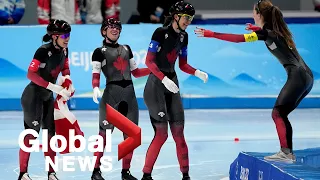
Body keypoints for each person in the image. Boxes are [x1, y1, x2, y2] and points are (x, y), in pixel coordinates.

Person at [195, 0, 314, 162]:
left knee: (278, 113)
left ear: (259, 15)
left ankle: (286, 153)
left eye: (253, 12)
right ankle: (287, 152)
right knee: (281, 114)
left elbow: (238, 39)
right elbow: (268, 35)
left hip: (298, 76)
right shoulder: (274, 31)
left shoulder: (266, 33)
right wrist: (258, 29)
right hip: (306, 76)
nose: (252, 15)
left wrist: (212, 34)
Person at [142, 1, 208, 180]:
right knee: (162, 134)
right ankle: (146, 175)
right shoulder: (160, 33)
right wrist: (163, 79)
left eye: (191, 18)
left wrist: (196, 72)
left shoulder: (184, 37)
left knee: (179, 133)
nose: (189, 21)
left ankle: (186, 176)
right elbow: (149, 62)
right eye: (186, 18)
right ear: (176, 17)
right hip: (156, 84)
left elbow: (183, 64)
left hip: (172, 83)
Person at [90, 18, 151, 180]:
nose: (115, 29)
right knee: (103, 135)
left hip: (129, 96)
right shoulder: (99, 51)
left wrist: (153, 69)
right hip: (111, 97)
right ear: (103, 31)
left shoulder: (126, 48)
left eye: (118, 26)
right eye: (111, 27)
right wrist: (95, 87)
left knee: (131, 136)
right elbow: (95, 74)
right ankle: (96, 171)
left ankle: (126, 173)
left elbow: (136, 72)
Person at [19, 19, 73, 180]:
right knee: (31, 135)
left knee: (51, 135)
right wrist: (53, 87)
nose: (67, 38)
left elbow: (65, 67)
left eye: (69, 34)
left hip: (47, 97)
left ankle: (51, 173)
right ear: (54, 36)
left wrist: (68, 80)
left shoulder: (64, 50)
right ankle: (22, 173)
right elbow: (30, 74)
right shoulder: (42, 51)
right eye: (64, 35)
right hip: (33, 96)